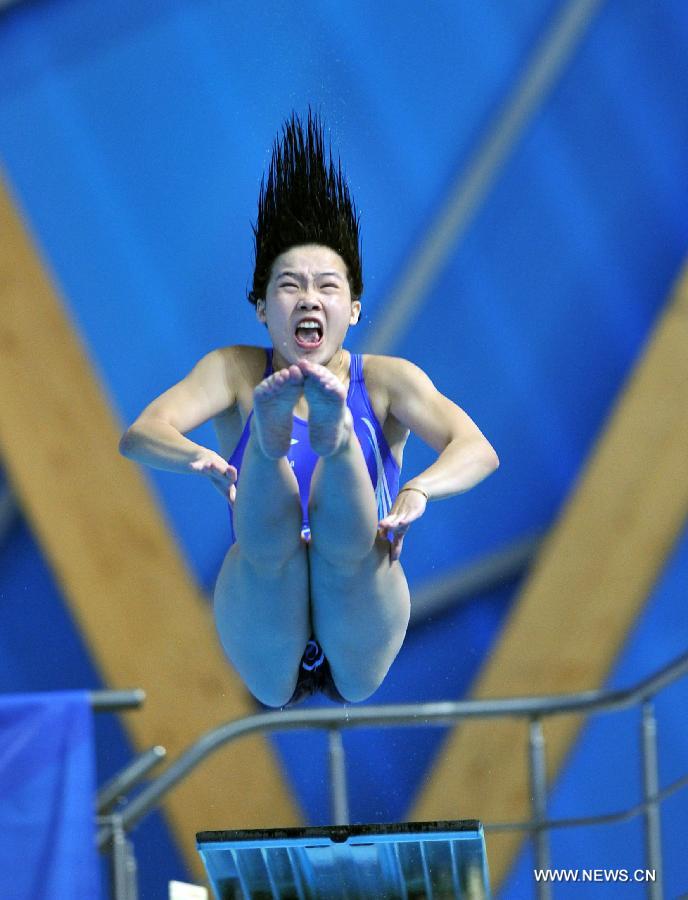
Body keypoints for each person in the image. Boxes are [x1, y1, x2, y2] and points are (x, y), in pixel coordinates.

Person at [120, 111, 499, 709]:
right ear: (260, 308)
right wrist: (198, 459)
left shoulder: (388, 379)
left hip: (361, 612)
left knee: (345, 549)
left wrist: (419, 491)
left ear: (353, 308)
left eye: (327, 285)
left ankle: (337, 438)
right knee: (269, 551)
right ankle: (290, 444)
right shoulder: (235, 370)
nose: (309, 298)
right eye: (290, 285)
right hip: (264, 622)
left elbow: (477, 448)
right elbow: (140, 434)